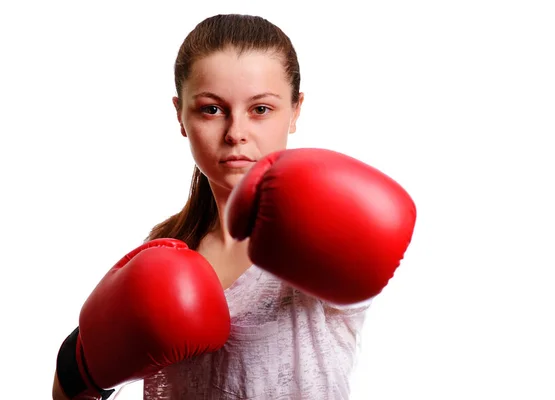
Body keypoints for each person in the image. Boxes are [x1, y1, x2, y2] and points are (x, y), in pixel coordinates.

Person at [52, 13, 416, 400]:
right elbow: (68, 389)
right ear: (180, 115)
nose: (236, 133)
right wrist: (85, 370)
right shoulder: (166, 246)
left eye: (261, 109)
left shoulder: (320, 231)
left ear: (295, 110)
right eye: (211, 109)